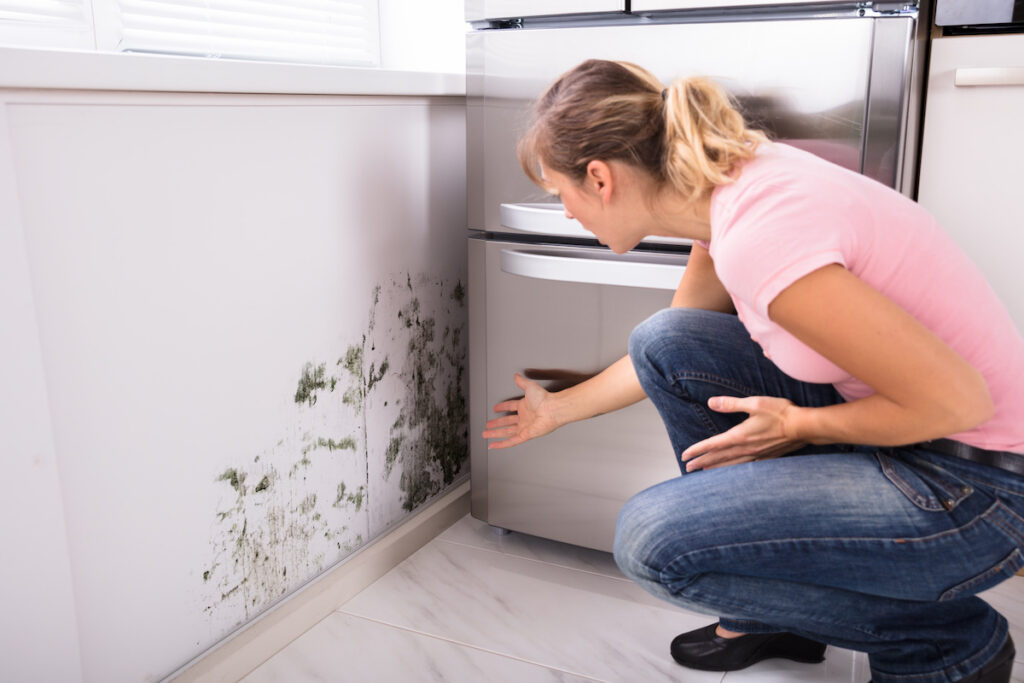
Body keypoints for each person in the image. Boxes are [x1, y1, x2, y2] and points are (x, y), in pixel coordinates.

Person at [481, 59, 1024, 683]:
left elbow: (959, 403)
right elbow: (667, 353)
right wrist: (559, 408)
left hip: (977, 489)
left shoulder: (761, 238)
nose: (569, 214)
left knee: (652, 545)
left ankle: (945, 643)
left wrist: (801, 423)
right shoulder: (725, 189)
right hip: (922, 435)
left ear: (599, 178)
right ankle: (773, 614)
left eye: (561, 195)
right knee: (668, 340)